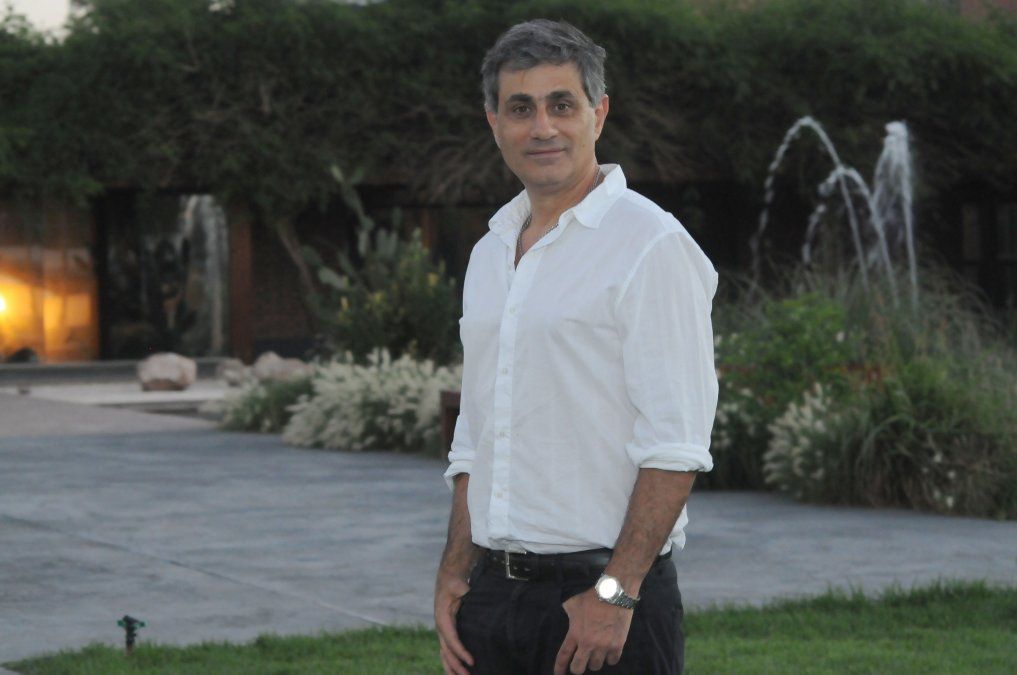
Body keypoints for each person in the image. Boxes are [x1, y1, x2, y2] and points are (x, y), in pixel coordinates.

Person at [434, 19, 719, 675]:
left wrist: (616, 593)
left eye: (561, 104)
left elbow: (676, 444)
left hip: (605, 602)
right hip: (491, 599)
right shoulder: (489, 252)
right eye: (520, 108)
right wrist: (455, 569)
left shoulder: (650, 245)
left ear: (599, 113)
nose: (542, 128)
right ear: (494, 122)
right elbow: (476, 434)